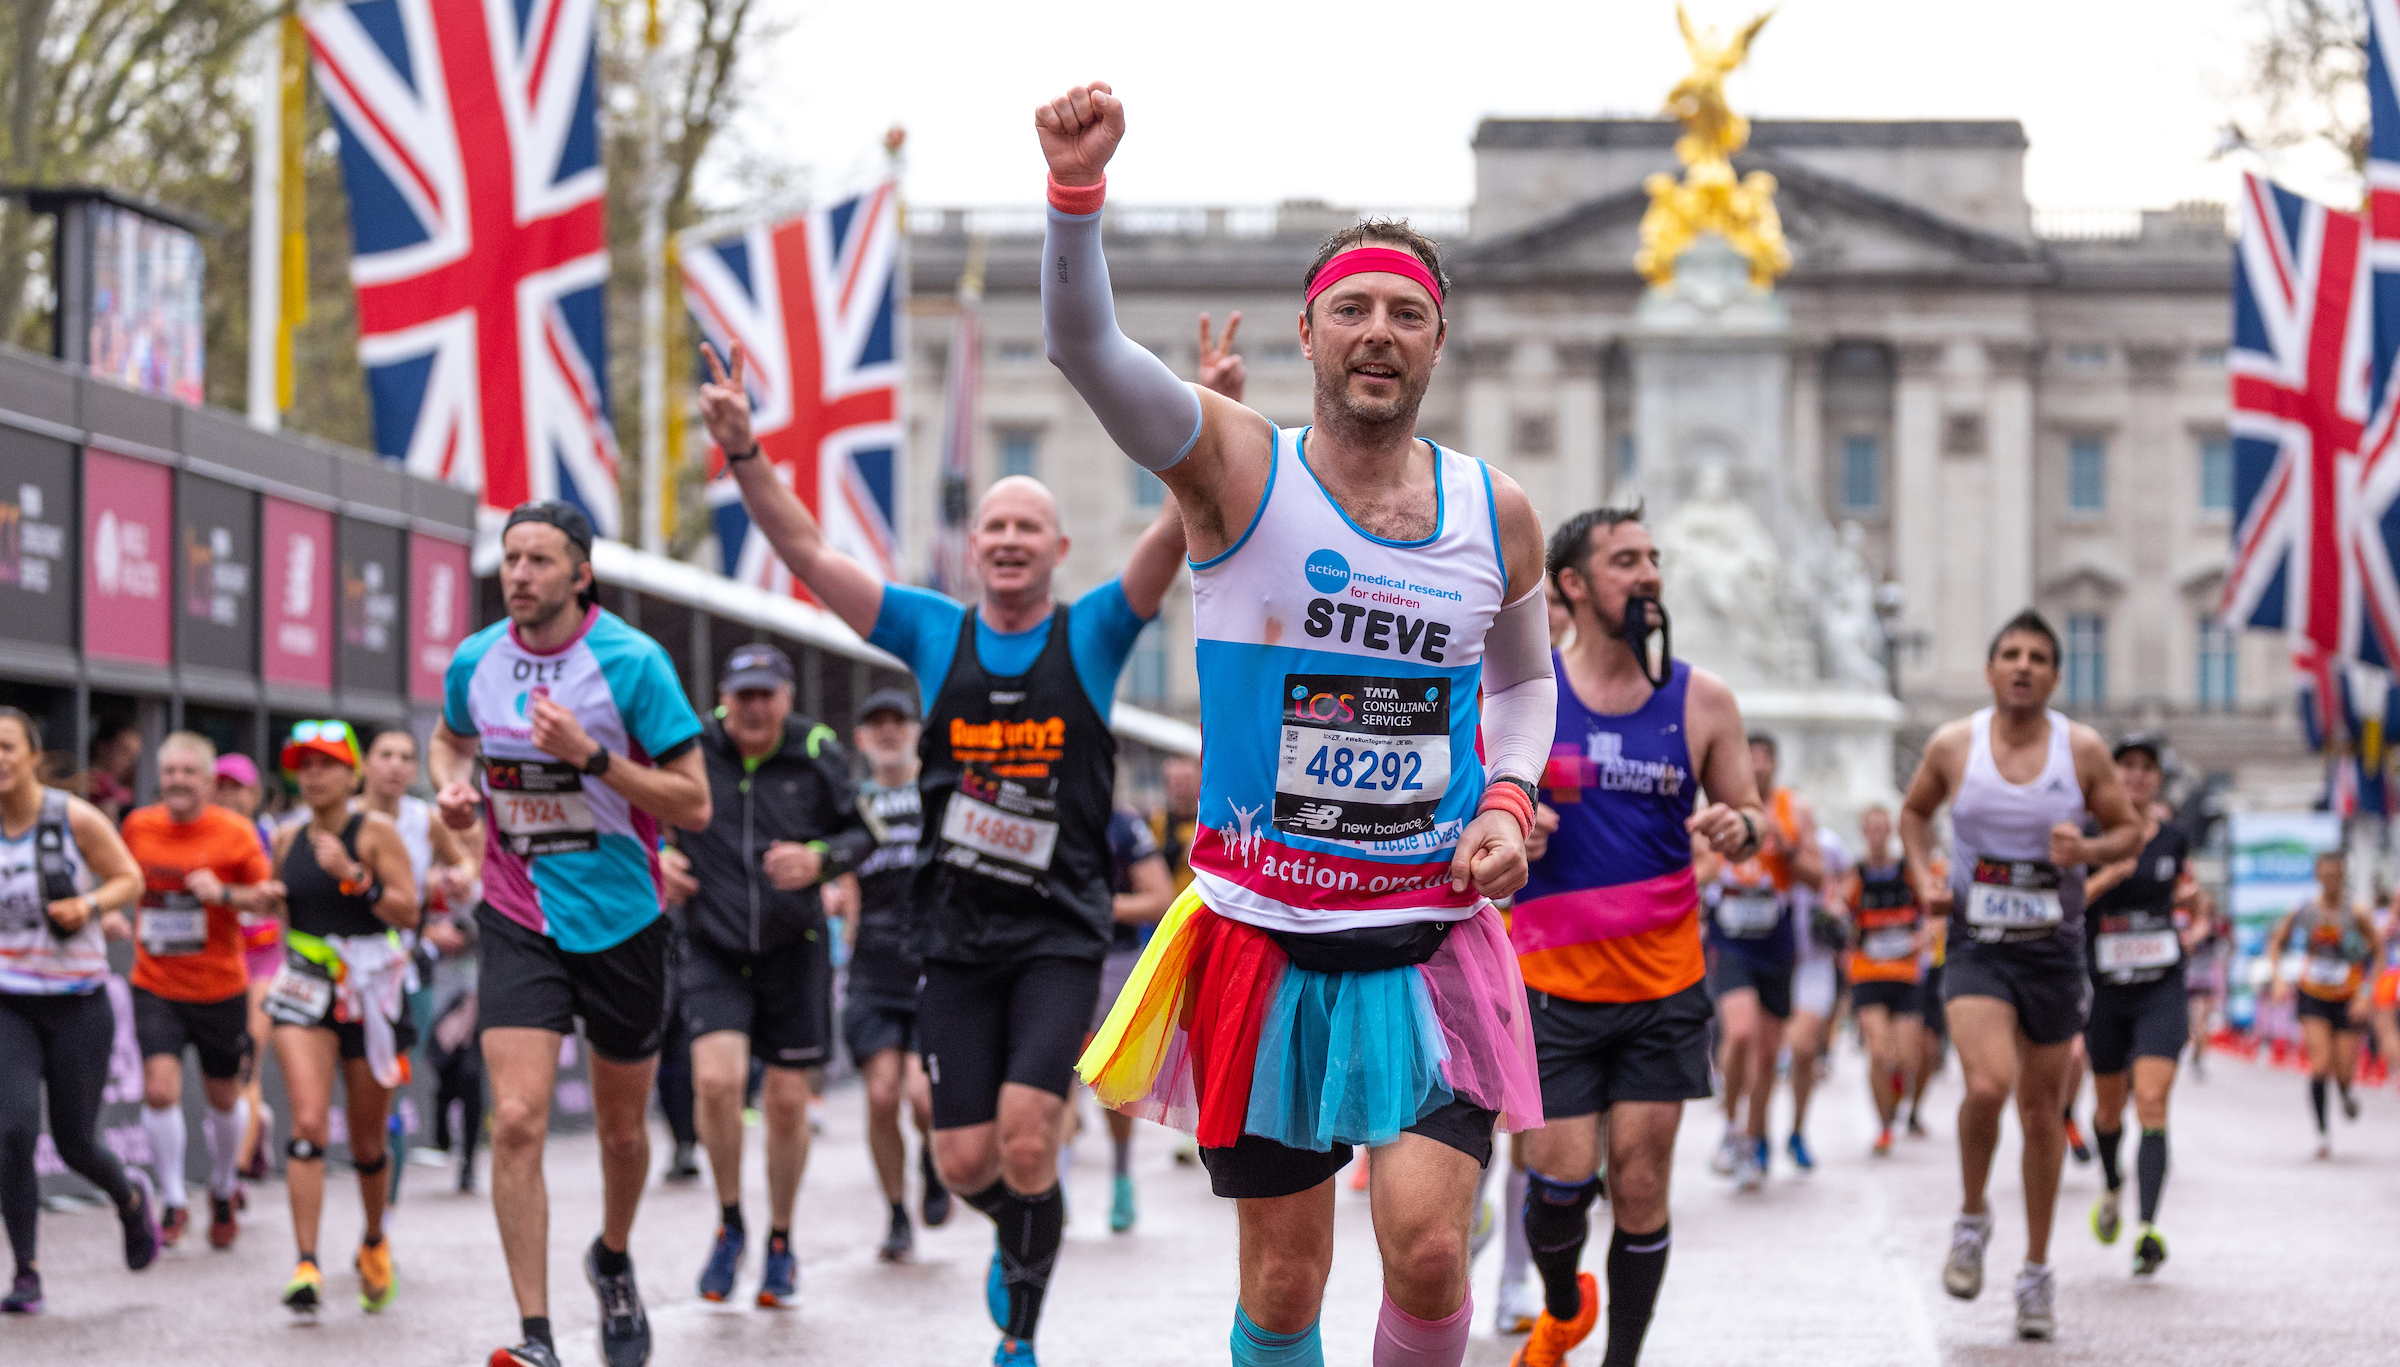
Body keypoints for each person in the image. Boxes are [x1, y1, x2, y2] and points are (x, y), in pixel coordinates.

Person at [1041, 83, 1555, 1367]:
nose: (1379, 333)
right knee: (1283, 1281)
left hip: (1429, 937)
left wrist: (1506, 800)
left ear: (1437, 344)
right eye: (1353, 309)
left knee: (1429, 1249)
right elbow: (1086, 349)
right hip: (1263, 940)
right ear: (1310, 332)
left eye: (1407, 314)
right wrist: (1074, 194)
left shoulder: (1497, 513)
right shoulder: (1235, 469)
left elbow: (1521, 686)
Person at [704, 221, 1189, 1366]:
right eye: (994, 528)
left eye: (1029, 528)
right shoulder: (932, 633)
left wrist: (1199, 429)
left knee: (1027, 1136)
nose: (1010, 541)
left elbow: (1174, 535)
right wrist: (746, 453)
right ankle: (1017, 1233)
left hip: (1058, 931)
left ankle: (1019, 1325)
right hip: (955, 935)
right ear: (973, 550)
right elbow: (810, 554)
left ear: (1057, 547)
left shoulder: (1093, 635)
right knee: (966, 1159)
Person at [429, 500, 712, 1367]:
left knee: (623, 1134)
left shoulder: (634, 663)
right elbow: (448, 741)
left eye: (540, 560)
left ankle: (613, 1258)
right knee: (515, 1118)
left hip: (623, 920)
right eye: (511, 558)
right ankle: (537, 1335)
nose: (519, 574)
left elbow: (694, 800)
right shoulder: (477, 659)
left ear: (581, 573)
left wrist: (593, 757)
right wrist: (452, 791)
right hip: (519, 913)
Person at [1501, 507, 1762, 1367]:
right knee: (1559, 1182)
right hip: (1552, 985)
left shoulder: (1702, 698)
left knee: (1642, 1185)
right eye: (1624, 560)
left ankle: (1622, 1359)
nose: (1648, 572)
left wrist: (1739, 827)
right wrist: (1509, 820)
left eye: (1652, 557)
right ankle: (1562, 1302)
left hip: (1664, 986)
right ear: (1573, 584)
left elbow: (1750, 814)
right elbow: (1471, 804)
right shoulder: (1527, 692)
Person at [1900, 609, 2140, 1342]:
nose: (2023, 665)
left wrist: (2086, 851)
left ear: (2055, 676)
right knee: (1986, 1084)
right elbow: (1914, 813)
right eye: (2011, 654)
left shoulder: (2082, 749)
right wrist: (1923, 875)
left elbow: (2129, 831)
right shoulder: (1954, 744)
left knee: (2041, 1114)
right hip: (1979, 943)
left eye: (2037, 656)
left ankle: (2036, 1271)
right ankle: (1972, 1217)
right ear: (1990, 670)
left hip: (2053, 950)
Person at [668, 642, 874, 1310]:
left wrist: (820, 858)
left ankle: (781, 1238)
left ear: (786, 698)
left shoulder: (816, 751)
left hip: (795, 947)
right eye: (743, 695)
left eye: (766, 695)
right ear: (723, 697)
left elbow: (863, 833)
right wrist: (657, 856)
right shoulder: (689, 745)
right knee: (716, 1082)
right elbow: (640, 811)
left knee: (787, 1102)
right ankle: (729, 1221)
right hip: (713, 944)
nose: (754, 708)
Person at [0, 706, 159, 1314]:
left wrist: (89, 906)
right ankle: (26, 1272)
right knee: (13, 1133)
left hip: (77, 1004)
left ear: (34, 756)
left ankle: (130, 1200)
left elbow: (130, 879)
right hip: (10, 1004)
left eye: (8, 746)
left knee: (74, 1144)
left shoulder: (71, 817)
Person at [260, 721, 420, 1315]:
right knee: (308, 1122)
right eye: (304, 765)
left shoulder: (374, 832)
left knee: (366, 1137)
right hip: (306, 989)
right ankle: (306, 1263)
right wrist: (257, 898)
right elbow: (279, 905)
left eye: (326, 763)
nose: (314, 775)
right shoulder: (286, 837)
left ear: (352, 774)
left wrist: (355, 876)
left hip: (371, 992)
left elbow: (408, 910)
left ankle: (374, 1240)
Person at [121, 730, 283, 1253]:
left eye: (189, 772)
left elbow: (267, 900)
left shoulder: (235, 833)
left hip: (219, 986)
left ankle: (222, 1184)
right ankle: (173, 1199)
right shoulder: (138, 826)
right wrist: (106, 911)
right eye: (170, 771)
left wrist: (225, 892)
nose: (178, 781)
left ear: (209, 782)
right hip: (156, 982)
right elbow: (117, 876)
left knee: (224, 1097)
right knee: (158, 1090)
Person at [2078, 735, 2193, 1278]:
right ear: (2111, 774)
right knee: (2108, 1111)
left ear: (2157, 780)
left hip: (2160, 988)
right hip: (2106, 992)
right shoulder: (2089, 836)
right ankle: (2111, 1184)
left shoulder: (2173, 838)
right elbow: (2067, 905)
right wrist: (2109, 874)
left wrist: (2193, 901)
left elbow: (2185, 891)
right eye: (2127, 766)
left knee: (2151, 1101)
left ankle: (2147, 1228)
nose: (2137, 776)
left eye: (2147, 767)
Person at [841, 685, 944, 1262]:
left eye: (898, 721)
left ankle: (932, 1160)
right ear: (860, 738)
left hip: (930, 964)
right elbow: (837, 866)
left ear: (914, 732)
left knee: (924, 1101)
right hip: (872, 969)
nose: (887, 731)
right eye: (876, 723)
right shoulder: (851, 804)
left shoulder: (937, 795)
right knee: (882, 1097)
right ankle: (897, 1213)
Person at [1701, 733, 1820, 1191]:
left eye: (1764, 758)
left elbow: (1817, 876)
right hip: (1731, 938)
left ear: (1775, 764)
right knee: (1741, 1032)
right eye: (1748, 758)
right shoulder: (1720, 809)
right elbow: (1699, 865)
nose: (1756, 766)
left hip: (1775, 939)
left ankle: (1754, 1140)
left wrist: (1788, 850)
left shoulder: (1794, 809)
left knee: (1769, 1054)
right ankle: (1730, 1126)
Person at [1078, 805, 1172, 1233]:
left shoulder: (1124, 823)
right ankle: (1050, 1186)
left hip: (1115, 963)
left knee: (1110, 1085)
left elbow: (1160, 897)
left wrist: (1097, 906)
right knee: (1051, 1085)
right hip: (1051, 960)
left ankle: (1120, 1176)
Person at [2265, 850, 2381, 1160]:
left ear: (2343, 876)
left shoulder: (2356, 912)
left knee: (2344, 1071)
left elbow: (2379, 951)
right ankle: (2322, 1133)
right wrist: (2277, 977)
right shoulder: (2305, 910)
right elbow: (2277, 942)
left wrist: (2366, 992)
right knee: (2319, 1065)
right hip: (2313, 994)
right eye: (2324, 875)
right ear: (2318, 875)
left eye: (2335, 876)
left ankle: (2345, 1091)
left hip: (2348, 997)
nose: (2330, 881)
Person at [213, 752, 283, 1184]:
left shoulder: (272, 839)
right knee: (220, 1066)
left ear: (253, 794)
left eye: (235, 787)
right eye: (220, 786)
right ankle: (256, 1124)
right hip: (221, 957)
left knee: (248, 1058)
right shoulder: (203, 838)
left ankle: (235, 1176)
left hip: (264, 958)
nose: (227, 795)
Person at [1845, 806, 1928, 1156]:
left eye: (1883, 828)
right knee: (1879, 1052)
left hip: (1906, 973)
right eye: (1872, 828)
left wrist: (1926, 936)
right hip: (1868, 972)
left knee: (1908, 1058)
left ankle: (1894, 1095)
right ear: (1864, 833)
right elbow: (1839, 913)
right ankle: (1883, 1126)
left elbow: (1932, 910)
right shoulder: (1855, 875)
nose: (1878, 835)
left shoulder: (1908, 872)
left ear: (1890, 831)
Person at [1782, 820, 1849, 1173]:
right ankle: (1751, 1133)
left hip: (1814, 961)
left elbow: (1849, 878)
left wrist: (1839, 904)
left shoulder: (1829, 843)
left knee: (1804, 1048)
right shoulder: (1767, 841)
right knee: (1759, 1054)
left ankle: (1796, 1130)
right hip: (1772, 961)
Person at [2183, 885, 2228, 1080]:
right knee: (2196, 1022)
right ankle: (2196, 1055)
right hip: (2192, 978)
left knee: (2203, 1022)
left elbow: (2227, 946)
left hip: (2209, 978)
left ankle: (2199, 1057)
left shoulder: (2216, 926)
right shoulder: (2189, 924)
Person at [86, 722, 141, 825]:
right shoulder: (96, 781)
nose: (130, 761)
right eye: (124, 750)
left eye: (134, 756)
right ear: (102, 747)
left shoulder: (121, 785)